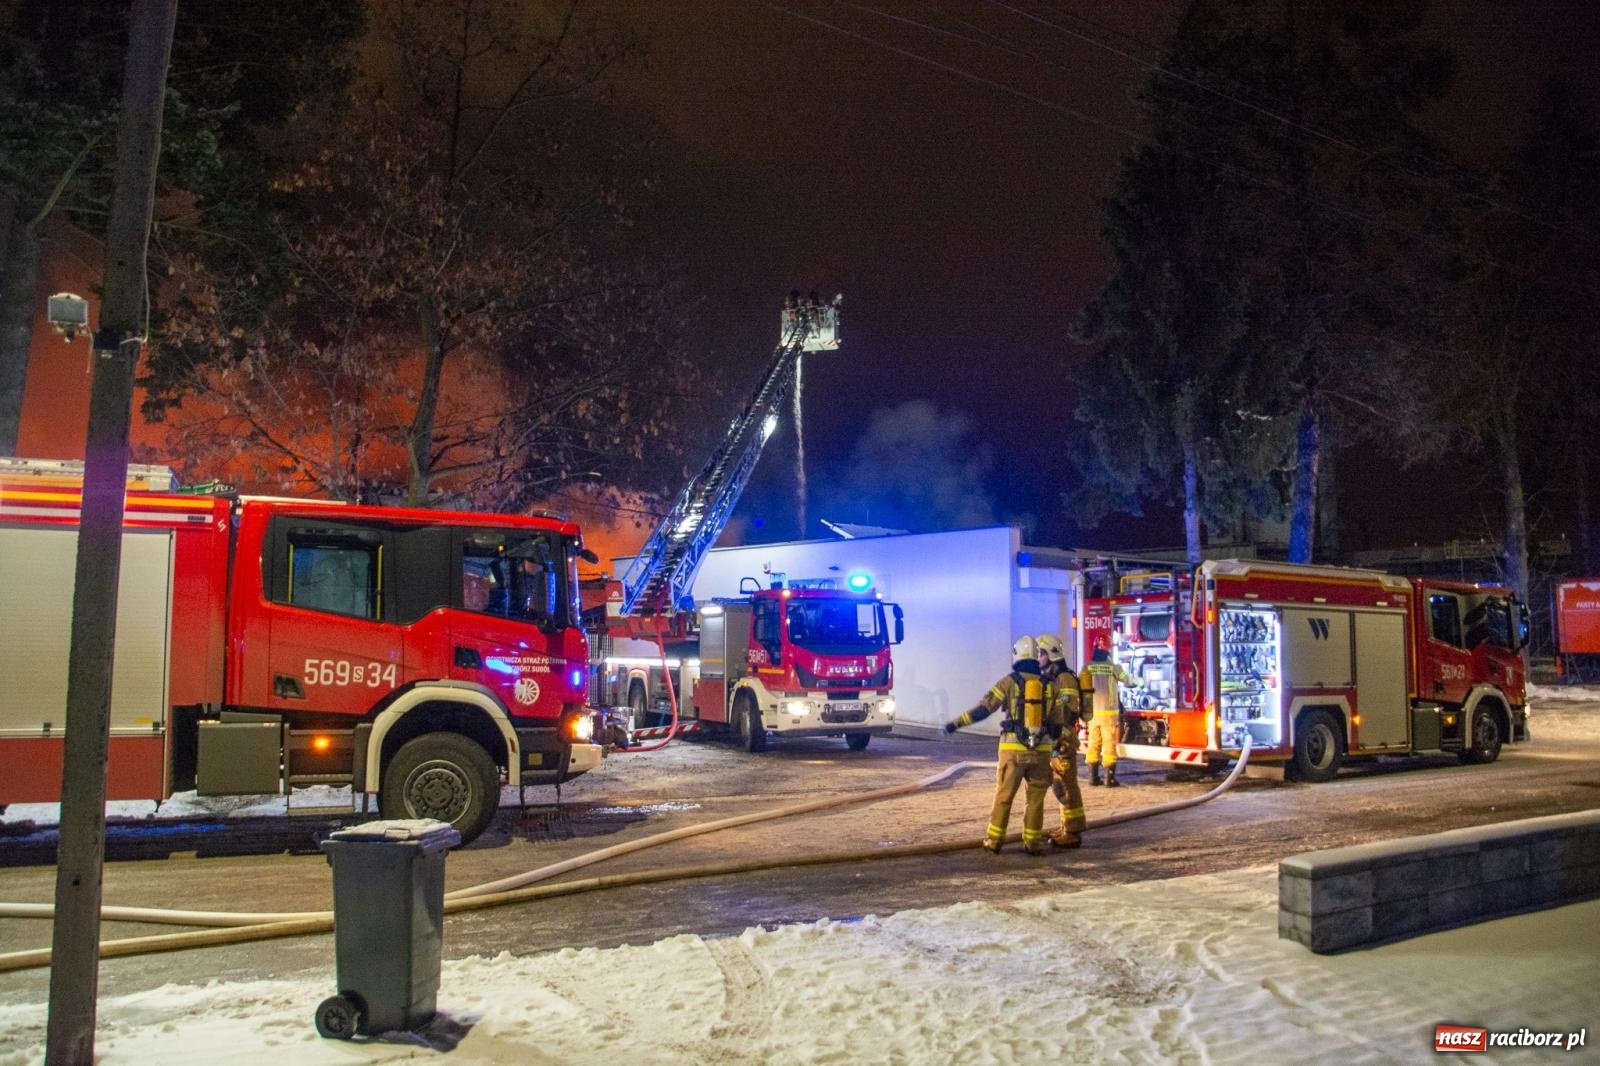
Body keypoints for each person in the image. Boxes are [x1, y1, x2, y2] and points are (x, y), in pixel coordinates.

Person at [942, 636, 1066, 855]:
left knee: (1004, 797)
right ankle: (1032, 843)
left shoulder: (1008, 682)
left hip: (1012, 750)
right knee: (1036, 799)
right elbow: (1057, 722)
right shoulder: (1050, 685)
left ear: (1017, 655)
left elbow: (984, 709)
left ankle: (994, 841)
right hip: (1041, 751)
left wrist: (955, 724)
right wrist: (1053, 747)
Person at [1035, 634, 1085, 848]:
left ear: (1051, 654)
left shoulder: (1064, 678)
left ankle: (1073, 833)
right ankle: (1066, 826)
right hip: (1055, 737)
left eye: (1040, 653)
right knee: (1059, 783)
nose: (1038, 658)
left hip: (1063, 738)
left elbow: (1067, 711)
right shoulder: (1052, 676)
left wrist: (1060, 739)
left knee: (1067, 785)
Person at [1081, 644, 1133, 787]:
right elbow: (1128, 681)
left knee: (1093, 742)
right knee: (1109, 744)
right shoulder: (1114, 667)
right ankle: (1109, 779)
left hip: (1092, 713)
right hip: (1108, 713)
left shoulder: (1087, 667)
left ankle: (1092, 778)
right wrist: (1140, 682)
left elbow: (1081, 686)